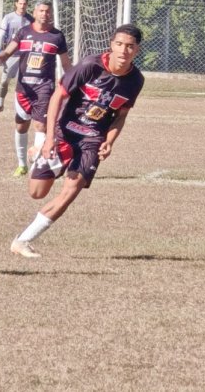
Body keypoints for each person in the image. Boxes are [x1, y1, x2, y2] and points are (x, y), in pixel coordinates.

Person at [10, 24, 145, 258]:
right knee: (37, 192)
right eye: (120, 44)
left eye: (130, 46)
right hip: (64, 132)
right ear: (112, 45)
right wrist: (48, 138)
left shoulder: (135, 80)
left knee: (71, 190)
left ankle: (23, 241)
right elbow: (57, 97)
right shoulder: (89, 66)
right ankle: (40, 157)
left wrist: (110, 140)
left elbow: (121, 115)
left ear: (137, 50)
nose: (124, 50)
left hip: (91, 141)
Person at [0, 0, 72, 178]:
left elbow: (66, 63)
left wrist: (73, 81)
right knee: (21, 126)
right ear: (34, 13)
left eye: (48, 11)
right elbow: (9, 51)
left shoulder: (57, 36)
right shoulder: (24, 32)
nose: (45, 14)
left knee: (40, 125)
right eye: (41, 11)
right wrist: (0, 57)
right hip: (23, 88)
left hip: (45, 88)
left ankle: (38, 165)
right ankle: (22, 164)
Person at [0, 0, 33, 113]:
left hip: (26, 56)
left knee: (26, 83)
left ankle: (26, 107)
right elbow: (1, 36)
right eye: (20, 3)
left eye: (25, 4)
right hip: (11, 55)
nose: (22, 6)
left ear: (27, 5)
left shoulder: (31, 20)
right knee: (4, 81)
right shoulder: (8, 18)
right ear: (16, 4)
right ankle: (0, 104)